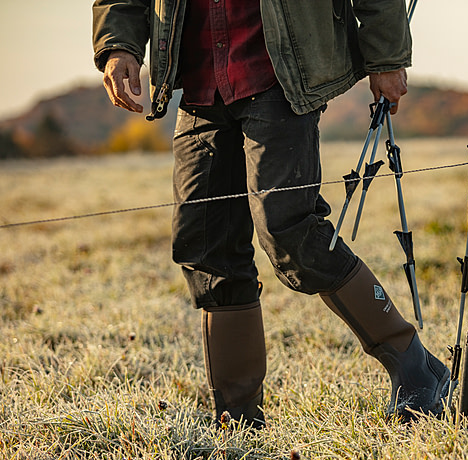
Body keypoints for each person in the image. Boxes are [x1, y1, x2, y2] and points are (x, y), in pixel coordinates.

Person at [92, 0, 448, 427]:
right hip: (199, 82)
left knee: (290, 233)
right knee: (205, 248)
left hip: (280, 72)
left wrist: (386, 55)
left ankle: (417, 368)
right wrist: (118, 45)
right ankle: (238, 418)